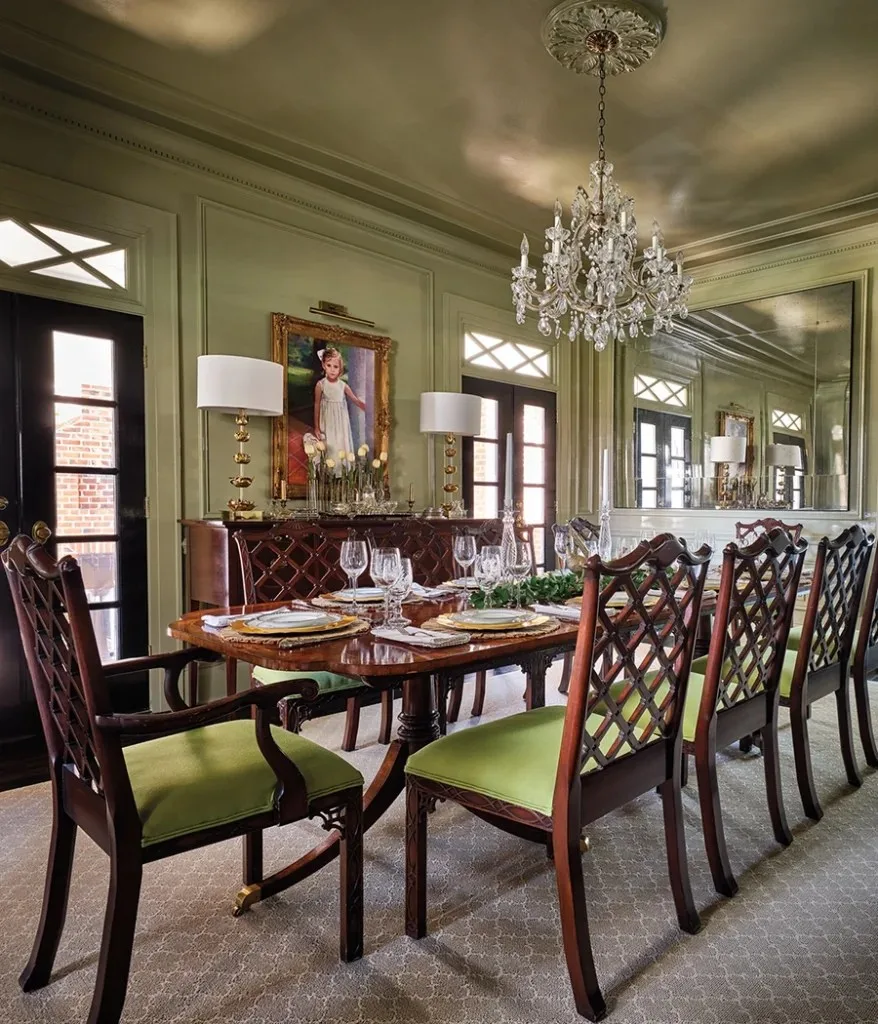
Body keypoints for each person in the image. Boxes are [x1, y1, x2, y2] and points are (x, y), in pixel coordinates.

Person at [313, 346, 366, 463]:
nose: (332, 369)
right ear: (323, 366)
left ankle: (342, 470)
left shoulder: (343, 386)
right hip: (327, 421)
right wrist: (316, 426)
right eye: (329, 365)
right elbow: (317, 405)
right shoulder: (320, 385)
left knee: (341, 444)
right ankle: (329, 470)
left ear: (340, 368)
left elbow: (355, 399)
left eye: (335, 367)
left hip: (341, 422)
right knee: (330, 445)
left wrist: (364, 406)